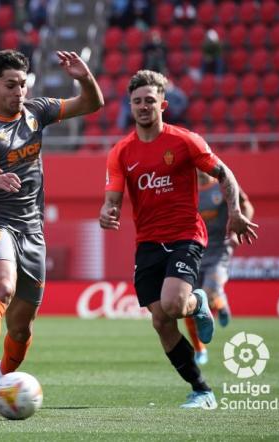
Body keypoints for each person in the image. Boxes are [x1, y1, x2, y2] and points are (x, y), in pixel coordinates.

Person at [99, 70, 258, 409]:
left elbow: (223, 173)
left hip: (186, 235)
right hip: (148, 243)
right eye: (138, 101)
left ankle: (198, 301)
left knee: (172, 305)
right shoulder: (121, 152)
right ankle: (202, 390)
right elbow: (112, 196)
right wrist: (107, 211)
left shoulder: (185, 141)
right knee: (161, 320)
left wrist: (235, 211)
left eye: (150, 101)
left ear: (163, 105)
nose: (144, 106)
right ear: (130, 105)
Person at [0, 49, 104, 412]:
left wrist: (83, 77)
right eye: (11, 85)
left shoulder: (36, 111)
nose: (19, 91)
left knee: (21, 329)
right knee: (3, 287)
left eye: (23, 84)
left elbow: (91, 105)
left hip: (34, 233)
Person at [185, 170, 255, 365]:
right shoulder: (186, 187)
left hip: (220, 248)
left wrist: (238, 229)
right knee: (187, 303)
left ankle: (217, 298)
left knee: (206, 293)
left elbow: (246, 205)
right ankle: (200, 348)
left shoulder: (224, 183)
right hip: (194, 250)